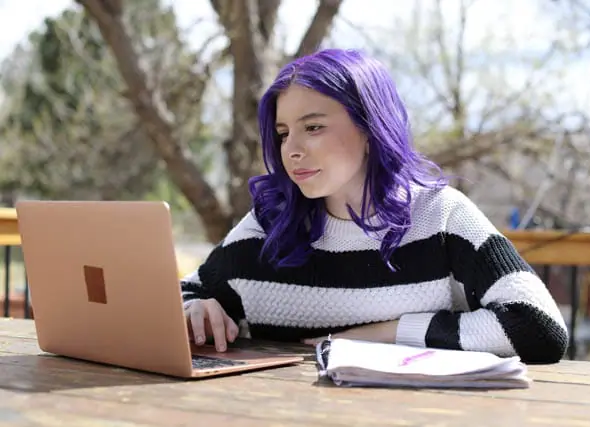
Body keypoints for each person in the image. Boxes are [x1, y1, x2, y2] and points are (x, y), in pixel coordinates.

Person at [180, 48, 569, 364]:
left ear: (370, 127)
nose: (292, 151)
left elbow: (539, 326)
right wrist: (192, 309)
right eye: (283, 134)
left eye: (313, 127)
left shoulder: (440, 215)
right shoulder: (268, 223)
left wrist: (385, 334)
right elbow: (182, 296)